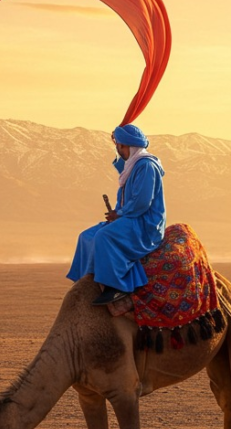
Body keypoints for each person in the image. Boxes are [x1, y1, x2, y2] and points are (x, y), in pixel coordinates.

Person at [66, 123, 165, 306]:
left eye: (119, 145)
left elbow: (142, 202)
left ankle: (117, 286)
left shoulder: (146, 166)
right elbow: (120, 166)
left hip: (143, 223)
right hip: (129, 217)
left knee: (104, 236)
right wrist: (119, 213)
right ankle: (87, 281)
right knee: (86, 236)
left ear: (127, 146)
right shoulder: (132, 166)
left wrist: (120, 214)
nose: (117, 149)